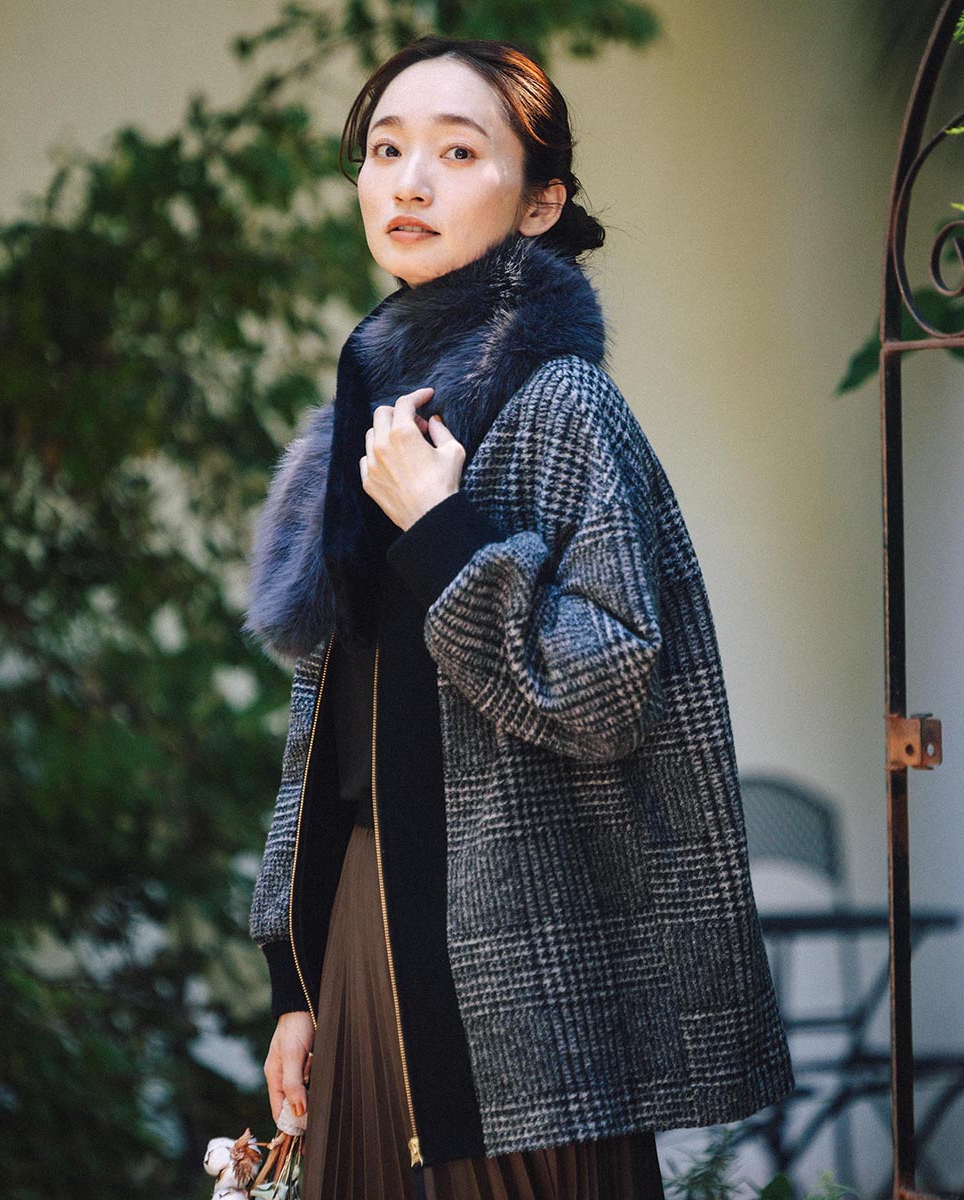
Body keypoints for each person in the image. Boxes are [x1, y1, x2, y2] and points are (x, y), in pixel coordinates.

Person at [242, 34, 795, 1200]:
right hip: (368, 933)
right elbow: (327, 734)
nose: (409, 181)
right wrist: (296, 981)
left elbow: (604, 693)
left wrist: (442, 529)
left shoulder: (561, 405)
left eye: (457, 152)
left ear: (540, 203)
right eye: (385, 150)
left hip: (518, 973)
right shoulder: (378, 411)